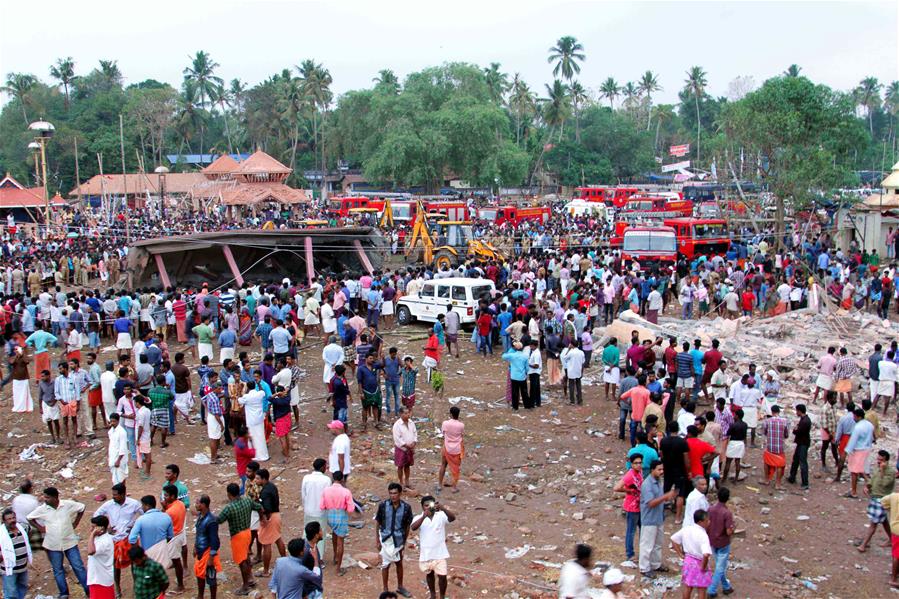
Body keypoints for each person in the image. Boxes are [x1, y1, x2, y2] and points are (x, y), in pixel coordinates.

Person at [27, 487, 89, 599]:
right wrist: (40, 528)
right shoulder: (43, 509)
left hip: (69, 541)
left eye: (47, 497)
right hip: (53, 544)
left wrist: (75, 523)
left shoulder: (67, 505)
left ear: (55, 498)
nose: (44, 499)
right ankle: (64, 593)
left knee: (78, 566)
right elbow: (30, 518)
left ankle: (88, 590)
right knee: (58, 570)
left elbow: (82, 508)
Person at [94, 482, 142, 597]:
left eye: (115, 495)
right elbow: (96, 516)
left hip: (129, 539)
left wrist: (136, 526)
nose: (113, 496)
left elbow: (146, 514)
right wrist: (105, 528)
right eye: (113, 494)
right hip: (114, 540)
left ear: (123, 494)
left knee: (134, 563)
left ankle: (136, 588)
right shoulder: (109, 504)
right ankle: (118, 589)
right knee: (115, 566)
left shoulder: (134, 504)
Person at [216, 482, 261, 594]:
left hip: (237, 536)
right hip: (247, 532)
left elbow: (219, 520)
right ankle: (250, 579)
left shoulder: (229, 507)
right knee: (246, 557)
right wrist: (263, 518)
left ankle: (245, 586)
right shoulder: (247, 500)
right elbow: (259, 506)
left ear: (229, 494)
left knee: (242, 561)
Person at [411, 497, 455, 599]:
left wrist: (443, 508)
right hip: (426, 553)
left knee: (442, 576)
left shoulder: (441, 515)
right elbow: (413, 527)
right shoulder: (419, 517)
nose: (428, 507)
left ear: (434, 505)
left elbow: (452, 518)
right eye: (426, 506)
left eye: (430, 505)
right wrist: (424, 517)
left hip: (440, 552)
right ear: (422, 507)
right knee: (429, 574)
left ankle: (442, 596)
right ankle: (432, 594)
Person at [639, 460, 677, 579]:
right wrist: (665, 496)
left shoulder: (658, 481)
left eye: (662, 469)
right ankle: (644, 567)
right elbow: (650, 503)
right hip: (649, 519)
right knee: (647, 545)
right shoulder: (647, 484)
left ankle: (656, 564)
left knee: (658, 544)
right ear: (652, 470)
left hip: (658, 518)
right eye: (659, 469)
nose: (661, 472)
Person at [375, 483, 414, 598]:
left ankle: (400, 586)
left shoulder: (406, 507)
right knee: (385, 564)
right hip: (386, 538)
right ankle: (385, 589)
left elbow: (407, 526)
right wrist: (377, 540)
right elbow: (378, 522)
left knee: (399, 563)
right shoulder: (383, 505)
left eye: (395, 493)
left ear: (400, 493)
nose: (393, 496)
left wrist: (404, 541)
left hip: (398, 539)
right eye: (391, 493)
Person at [670, 509, 713, 598]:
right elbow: (706, 554)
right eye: (707, 520)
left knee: (688, 586)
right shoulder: (703, 535)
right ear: (701, 522)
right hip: (700, 562)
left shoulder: (687, 529)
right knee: (701, 588)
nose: (709, 522)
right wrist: (703, 567)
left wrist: (680, 555)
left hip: (688, 561)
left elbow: (674, 539)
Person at [859, 450, 895, 553]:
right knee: (883, 520)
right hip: (874, 497)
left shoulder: (890, 473)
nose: (879, 461)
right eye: (878, 459)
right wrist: (867, 486)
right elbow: (872, 480)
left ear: (886, 461)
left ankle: (864, 544)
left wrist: (883, 470)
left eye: (881, 460)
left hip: (882, 499)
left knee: (873, 523)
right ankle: (891, 540)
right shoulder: (876, 469)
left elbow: (884, 484)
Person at [320, 470, 355, 574]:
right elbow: (351, 509)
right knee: (341, 541)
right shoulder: (346, 491)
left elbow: (322, 506)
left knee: (334, 534)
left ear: (333, 478)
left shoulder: (326, 490)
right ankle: (338, 568)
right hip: (340, 515)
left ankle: (335, 556)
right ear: (342, 479)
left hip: (329, 515)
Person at [613, 454, 643, 566]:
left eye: (640, 463)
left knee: (642, 529)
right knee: (631, 531)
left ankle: (641, 551)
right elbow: (616, 487)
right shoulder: (630, 475)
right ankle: (630, 554)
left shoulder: (639, 473)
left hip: (639, 505)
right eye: (636, 463)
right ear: (631, 464)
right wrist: (628, 491)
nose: (639, 465)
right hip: (632, 506)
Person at [256, 469, 287, 577]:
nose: (256, 480)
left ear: (264, 479)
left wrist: (264, 519)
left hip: (270, 518)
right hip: (276, 515)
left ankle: (265, 571)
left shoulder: (265, 492)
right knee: (278, 538)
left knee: (266, 543)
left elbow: (267, 508)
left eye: (258, 478)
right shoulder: (272, 487)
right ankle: (285, 561)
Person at [128, 496, 173, 568]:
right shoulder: (166, 516)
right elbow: (170, 536)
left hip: (147, 553)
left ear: (147, 506)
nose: (142, 508)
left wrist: (139, 552)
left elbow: (132, 539)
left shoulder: (140, 520)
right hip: (162, 552)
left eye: (142, 505)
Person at [706, 487, 735, 598]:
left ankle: (726, 586)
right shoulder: (727, 513)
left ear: (717, 496)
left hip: (712, 540)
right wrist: (733, 528)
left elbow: (707, 524)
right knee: (720, 567)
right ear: (727, 498)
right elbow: (728, 531)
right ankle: (712, 590)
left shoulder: (710, 509)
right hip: (723, 542)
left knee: (719, 565)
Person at [301, 459, 331, 563]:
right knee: (320, 534)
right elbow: (327, 497)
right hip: (320, 511)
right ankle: (319, 558)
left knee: (307, 532)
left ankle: (304, 553)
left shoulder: (306, 478)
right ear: (322, 467)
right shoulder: (326, 480)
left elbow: (303, 495)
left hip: (309, 510)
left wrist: (306, 506)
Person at [193, 494, 221, 599]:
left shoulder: (211, 520)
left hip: (207, 552)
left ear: (203, 505)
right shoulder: (201, 516)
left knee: (211, 577)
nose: (195, 505)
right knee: (199, 575)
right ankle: (200, 596)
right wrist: (195, 547)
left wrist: (211, 556)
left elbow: (215, 540)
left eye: (197, 503)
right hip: (200, 551)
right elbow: (199, 534)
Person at [844, 408, 875, 498]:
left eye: (854, 416)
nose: (853, 418)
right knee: (862, 470)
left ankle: (854, 491)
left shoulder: (857, 427)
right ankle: (871, 485)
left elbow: (853, 441)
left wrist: (847, 451)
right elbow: (872, 437)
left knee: (854, 471)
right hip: (867, 449)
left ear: (858, 417)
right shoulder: (870, 425)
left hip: (858, 450)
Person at [0, 508, 31, 599]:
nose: (12, 520)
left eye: (13, 518)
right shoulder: (1, 534)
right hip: (9, 569)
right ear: (4, 521)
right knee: (11, 593)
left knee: (22, 587)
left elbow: (30, 530)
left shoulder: (23, 528)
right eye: (9, 519)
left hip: (23, 567)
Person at [161, 485, 187, 593]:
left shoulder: (169, 512)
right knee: (176, 560)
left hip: (173, 537)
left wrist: (163, 508)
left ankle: (180, 585)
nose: (164, 498)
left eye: (166, 495)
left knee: (177, 562)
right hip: (180, 533)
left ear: (172, 496)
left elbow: (162, 521)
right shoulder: (180, 504)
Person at [761, 405, 790, 489]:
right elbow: (786, 435)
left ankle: (766, 479)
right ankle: (778, 483)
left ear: (772, 411)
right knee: (780, 465)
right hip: (779, 446)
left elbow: (765, 432)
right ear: (779, 411)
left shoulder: (767, 421)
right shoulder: (784, 421)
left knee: (767, 462)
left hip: (770, 445)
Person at [86, 515, 114, 599]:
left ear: (101, 528)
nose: (91, 529)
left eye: (93, 527)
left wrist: (92, 535)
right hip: (98, 578)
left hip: (100, 580)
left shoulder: (104, 541)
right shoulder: (101, 538)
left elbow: (91, 551)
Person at [438, 407, 465, 492]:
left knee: (443, 465)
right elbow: (461, 435)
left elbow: (443, 433)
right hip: (457, 449)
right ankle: (454, 487)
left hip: (446, 447)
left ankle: (439, 485)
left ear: (450, 414)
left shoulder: (445, 423)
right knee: (455, 468)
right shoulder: (461, 425)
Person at [787, 404, 812, 490]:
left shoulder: (805, 421)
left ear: (799, 411)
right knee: (796, 460)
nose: (796, 412)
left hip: (803, 443)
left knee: (802, 462)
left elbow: (797, 431)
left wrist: (795, 429)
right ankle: (792, 477)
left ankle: (805, 482)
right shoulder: (805, 420)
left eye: (797, 411)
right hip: (802, 443)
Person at [392, 407, 418, 489]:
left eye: (408, 413)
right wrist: (406, 445)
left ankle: (407, 481)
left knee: (407, 465)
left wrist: (414, 442)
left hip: (410, 448)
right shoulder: (397, 425)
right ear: (401, 414)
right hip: (401, 449)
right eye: (405, 413)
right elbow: (397, 438)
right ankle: (401, 482)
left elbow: (415, 433)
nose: (408, 415)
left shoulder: (411, 423)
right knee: (400, 466)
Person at [107, 413, 130, 484]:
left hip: (119, 459)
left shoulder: (122, 432)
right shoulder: (111, 431)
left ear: (118, 421)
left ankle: (123, 493)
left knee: (121, 478)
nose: (112, 423)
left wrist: (118, 460)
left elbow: (123, 448)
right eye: (111, 421)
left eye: (114, 421)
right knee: (117, 478)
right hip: (113, 457)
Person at [561, 340, 586, 406]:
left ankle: (572, 401)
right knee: (578, 385)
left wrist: (568, 349)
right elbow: (583, 363)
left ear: (571, 345)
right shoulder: (581, 352)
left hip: (571, 371)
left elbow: (564, 358)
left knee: (571, 385)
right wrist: (582, 371)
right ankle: (580, 400)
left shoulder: (571, 352)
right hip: (578, 370)